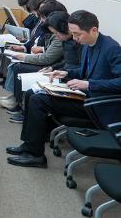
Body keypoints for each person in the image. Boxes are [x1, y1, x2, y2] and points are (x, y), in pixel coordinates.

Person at [7, 10, 121, 167]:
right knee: (33, 94)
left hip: (98, 104)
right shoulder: (88, 45)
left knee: (38, 100)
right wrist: (66, 73)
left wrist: (89, 84)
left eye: (77, 34)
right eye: (72, 34)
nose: (74, 38)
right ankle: (29, 146)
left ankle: (35, 155)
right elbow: (83, 71)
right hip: (85, 96)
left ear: (93, 30)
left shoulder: (111, 48)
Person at [0, 0, 67, 118]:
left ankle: (21, 105)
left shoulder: (58, 34)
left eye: (43, 17)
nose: (40, 19)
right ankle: (18, 101)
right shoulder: (48, 29)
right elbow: (41, 46)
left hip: (51, 66)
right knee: (17, 64)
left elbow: (48, 58)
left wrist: (26, 56)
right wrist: (25, 49)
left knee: (20, 67)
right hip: (51, 64)